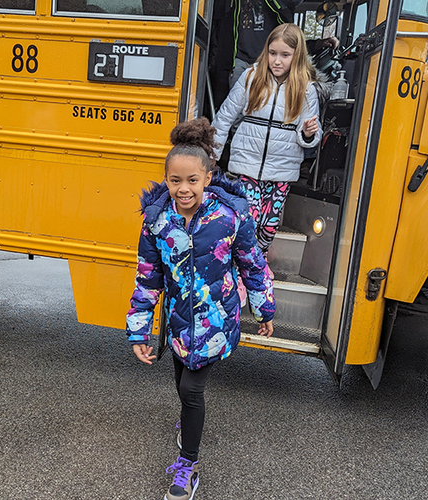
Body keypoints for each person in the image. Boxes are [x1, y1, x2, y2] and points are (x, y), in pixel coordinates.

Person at [126, 118, 276, 500]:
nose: (183, 189)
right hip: (179, 323)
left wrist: (263, 308)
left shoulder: (230, 217)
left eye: (192, 180)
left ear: (207, 178)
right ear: (166, 179)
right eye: (175, 181)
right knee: (181, 383)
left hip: (215, 321)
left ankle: (188, 465)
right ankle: (187, 422)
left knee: (192, 390)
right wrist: (140, 330)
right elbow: (148, 277)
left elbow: (252, 263)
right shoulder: (157, 223)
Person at [211, 23, 322, 257]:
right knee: (248, 216)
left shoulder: (306, 88)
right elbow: (225, 117)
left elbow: (311, 136)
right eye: (272, 53)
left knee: (269, 225)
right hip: (247, 163)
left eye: (285, 55)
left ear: (297, 56)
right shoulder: (252, 77)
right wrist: (212, 154)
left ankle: (257, 260)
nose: (277, 61)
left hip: (282, 168)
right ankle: (243, 262)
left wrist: (309, 133)